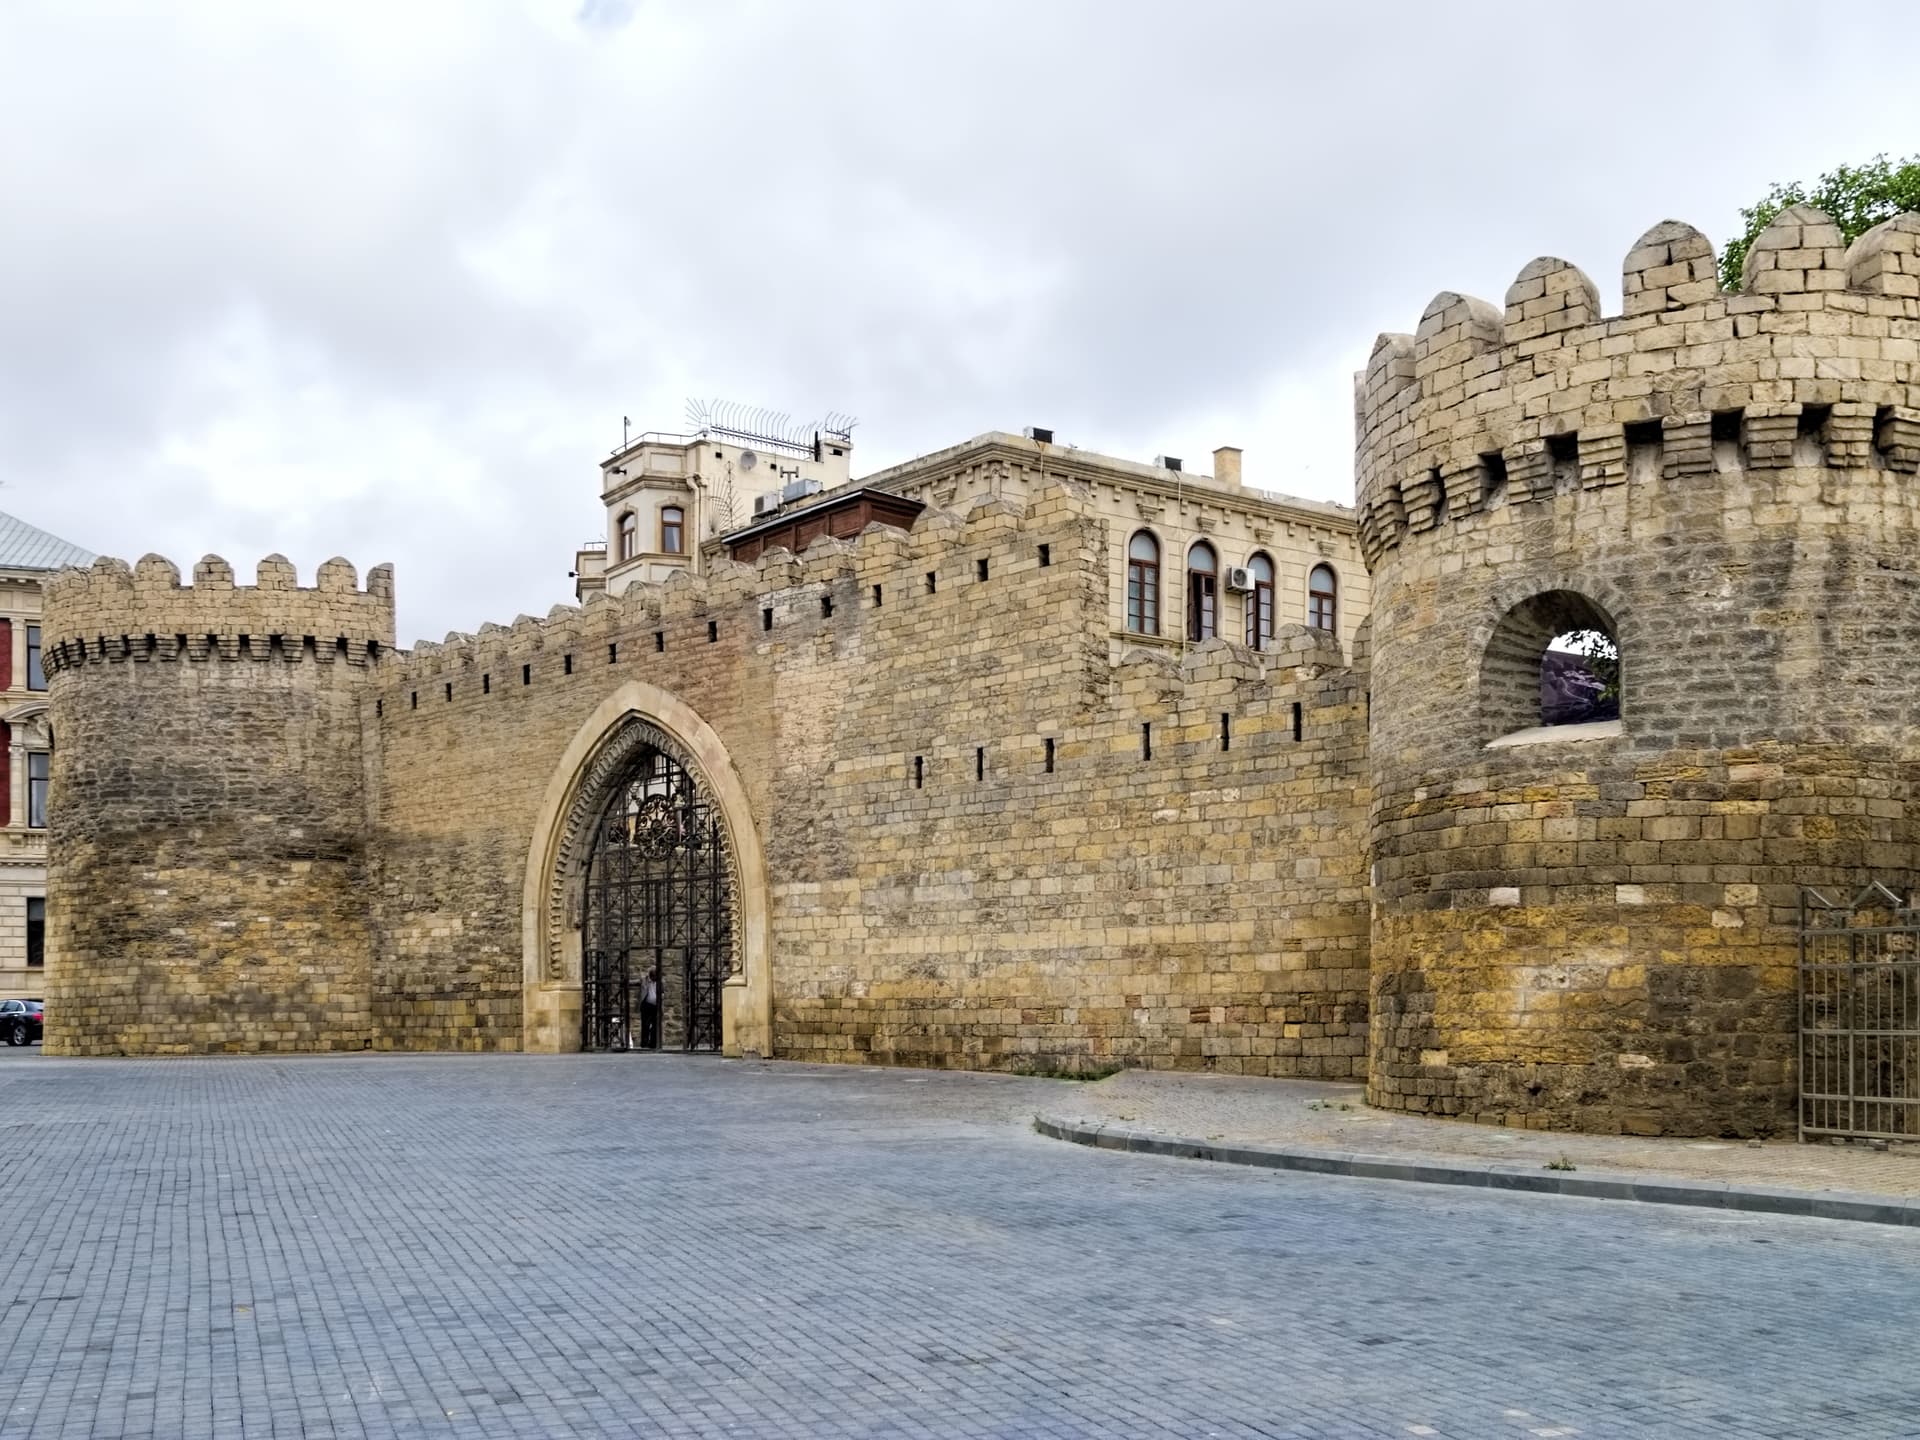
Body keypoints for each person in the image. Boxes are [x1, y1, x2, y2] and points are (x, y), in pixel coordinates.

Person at [639, 965, 661, 1050]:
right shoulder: (645, 980)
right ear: (651, 975)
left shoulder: (659, 981)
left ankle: (653, 1044)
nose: (655, 978)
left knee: (655, 1026)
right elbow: (640, 980)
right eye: (654, 976)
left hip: (656, 1006)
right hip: (646, 1006)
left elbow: (662, 991)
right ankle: (644, 1044)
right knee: (645, 1025)